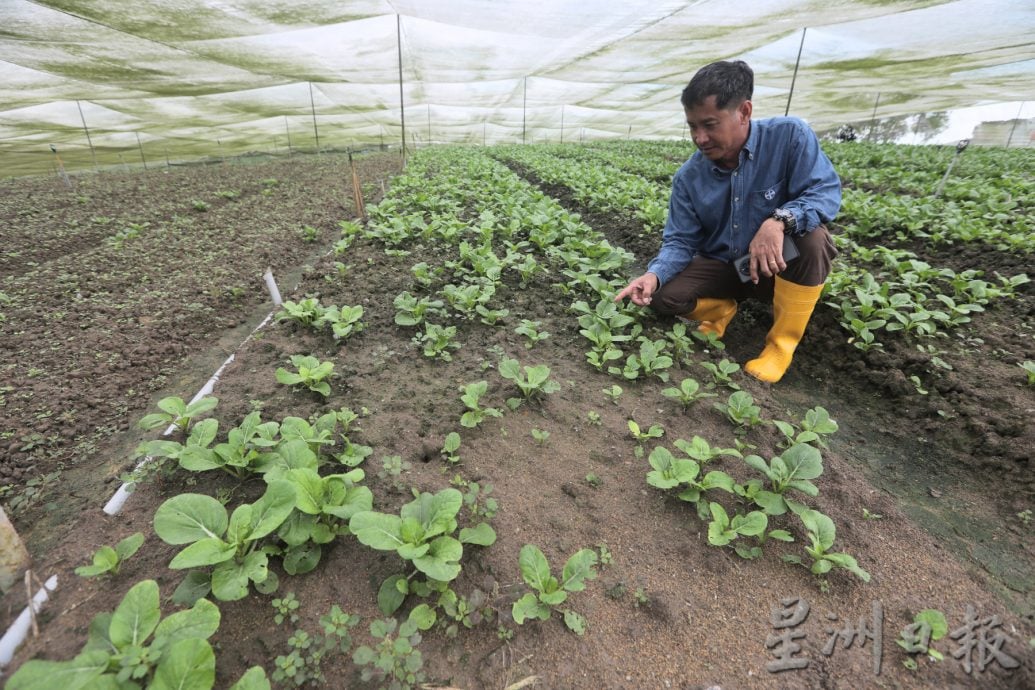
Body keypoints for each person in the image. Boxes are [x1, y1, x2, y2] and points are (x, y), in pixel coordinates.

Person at [615, 60, 840, 383]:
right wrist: (653, 275)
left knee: (813, 239)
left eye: (709, 125)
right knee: (664, 296)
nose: (700, 137)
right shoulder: (688, 178)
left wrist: (778, 222)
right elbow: (680, 242)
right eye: (693, 126)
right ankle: (721, 310)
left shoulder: (790, 137)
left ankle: (779, 346)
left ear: (744, 112)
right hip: (727, 267)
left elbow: (825, 192)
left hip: (776, 267)